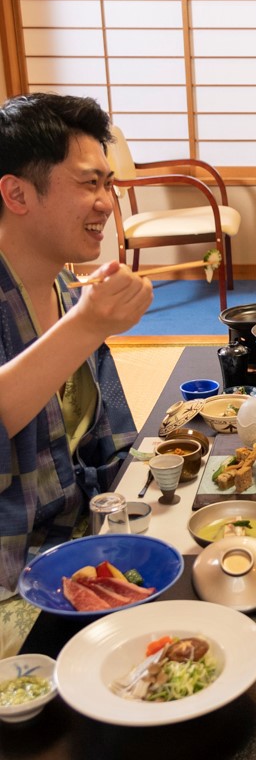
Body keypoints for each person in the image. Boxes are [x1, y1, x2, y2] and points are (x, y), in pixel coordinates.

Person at [0, 93, 153, 604]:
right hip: (13, 578)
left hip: (87, 550)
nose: (107, 202)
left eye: (108, 184)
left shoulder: (69, 293)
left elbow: (110, 441)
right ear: (17, 194)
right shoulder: (79, 312)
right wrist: (86, 326)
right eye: (89, 182)